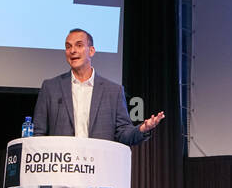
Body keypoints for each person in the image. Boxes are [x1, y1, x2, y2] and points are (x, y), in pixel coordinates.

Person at [32, 28, 164, 142]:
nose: (72, 51)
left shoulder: (113, 91)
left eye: (79, 45)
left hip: (98, 166)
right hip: (61, 166)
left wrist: (142, 129)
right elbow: (39, 133)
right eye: (68, 46)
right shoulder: (51, 88)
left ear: (91, 51)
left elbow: (123, 133)